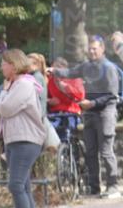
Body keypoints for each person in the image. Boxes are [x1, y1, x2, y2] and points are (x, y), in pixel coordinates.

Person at [50, 35, 120, 197]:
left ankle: (113, 186)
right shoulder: (86, 66)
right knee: (90, 152)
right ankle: (94, 187)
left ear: (102, 49)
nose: (91, 51)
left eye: (95, 48)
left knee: (106, 151)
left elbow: (112, 95)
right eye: (89, 48)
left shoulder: (109, 68)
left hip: (105, 113)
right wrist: (55, 71)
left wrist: (92, 104)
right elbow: (71, 72)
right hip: (89, 115)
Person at [0, 49, 48, 208]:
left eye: (4, 63)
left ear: (14, 65)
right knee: (23, 187)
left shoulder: (24, 85)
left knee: (16, 185)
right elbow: (3, 106)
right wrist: (3, 96)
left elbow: (5, 108)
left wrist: (1, 96)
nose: (1, 67)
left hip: (26, 140)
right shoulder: (14, 85)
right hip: (15, 140)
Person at [47, 57, 84, 139]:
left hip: (71, 112)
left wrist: (66, 87)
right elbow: (45, 97)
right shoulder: (51, 80)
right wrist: (49, 101)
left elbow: (80, 96)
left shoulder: (74, 78)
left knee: (67, 133)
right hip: (55, 113)